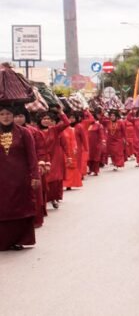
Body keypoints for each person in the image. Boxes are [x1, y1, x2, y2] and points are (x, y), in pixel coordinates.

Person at [0, 105, 41, 250]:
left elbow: (32, 156)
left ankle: (19, 239)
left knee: (19, 209)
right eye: (2, 114)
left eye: (8, 114)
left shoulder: (24, 133)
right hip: (1, 180)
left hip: (20, 179)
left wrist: (35, 176)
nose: (5, 117)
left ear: (13, 115)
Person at [13, 108, 47, 228]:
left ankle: (35, 219)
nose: (18, 119)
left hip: (31, 166)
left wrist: (41, 163)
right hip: (11, 169)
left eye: (21, 116)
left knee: (33, 195)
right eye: (16, 116)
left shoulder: (32, 131)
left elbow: (40, 149)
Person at [38, 109, 70, 209]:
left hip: (55, 157)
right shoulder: (35, 131)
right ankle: (44, 200)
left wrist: (61, 112)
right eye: (44, 118)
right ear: (40, 120)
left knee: (53, 179)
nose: (46, 120)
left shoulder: (54, 130)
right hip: (41, 158)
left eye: (48, 119)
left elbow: (66, 123)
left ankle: (53, 198)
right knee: (44, 180)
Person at [61, 113, 81, 190]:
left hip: (70, 150)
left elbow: (73, 140)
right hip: (62, 150)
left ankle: (69, 184)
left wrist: (75, 148)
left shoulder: (71, 129)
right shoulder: (58, 129)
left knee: (70, 167)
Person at [86, 111, 106, 176]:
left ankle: (95, 170)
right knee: (89, 157)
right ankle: (90, 169)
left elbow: (101, 134)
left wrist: (103, 140)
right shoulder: (87, 125)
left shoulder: (99, 125)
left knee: (96, 158)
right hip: (89, 144)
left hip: (96, 144)